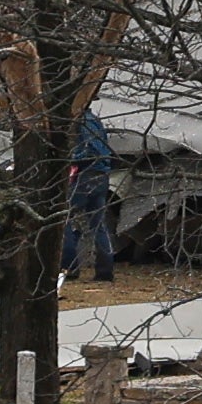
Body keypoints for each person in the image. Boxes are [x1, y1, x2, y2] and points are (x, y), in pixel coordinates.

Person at [65, 107, 117, 281]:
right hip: (101, 176)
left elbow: (91, 151)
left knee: (64, 219)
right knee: (99, 225)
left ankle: (68, 268)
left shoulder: (84, 122)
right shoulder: (95, 120)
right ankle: (105, 271)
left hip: (86, 175)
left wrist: (69, 158)